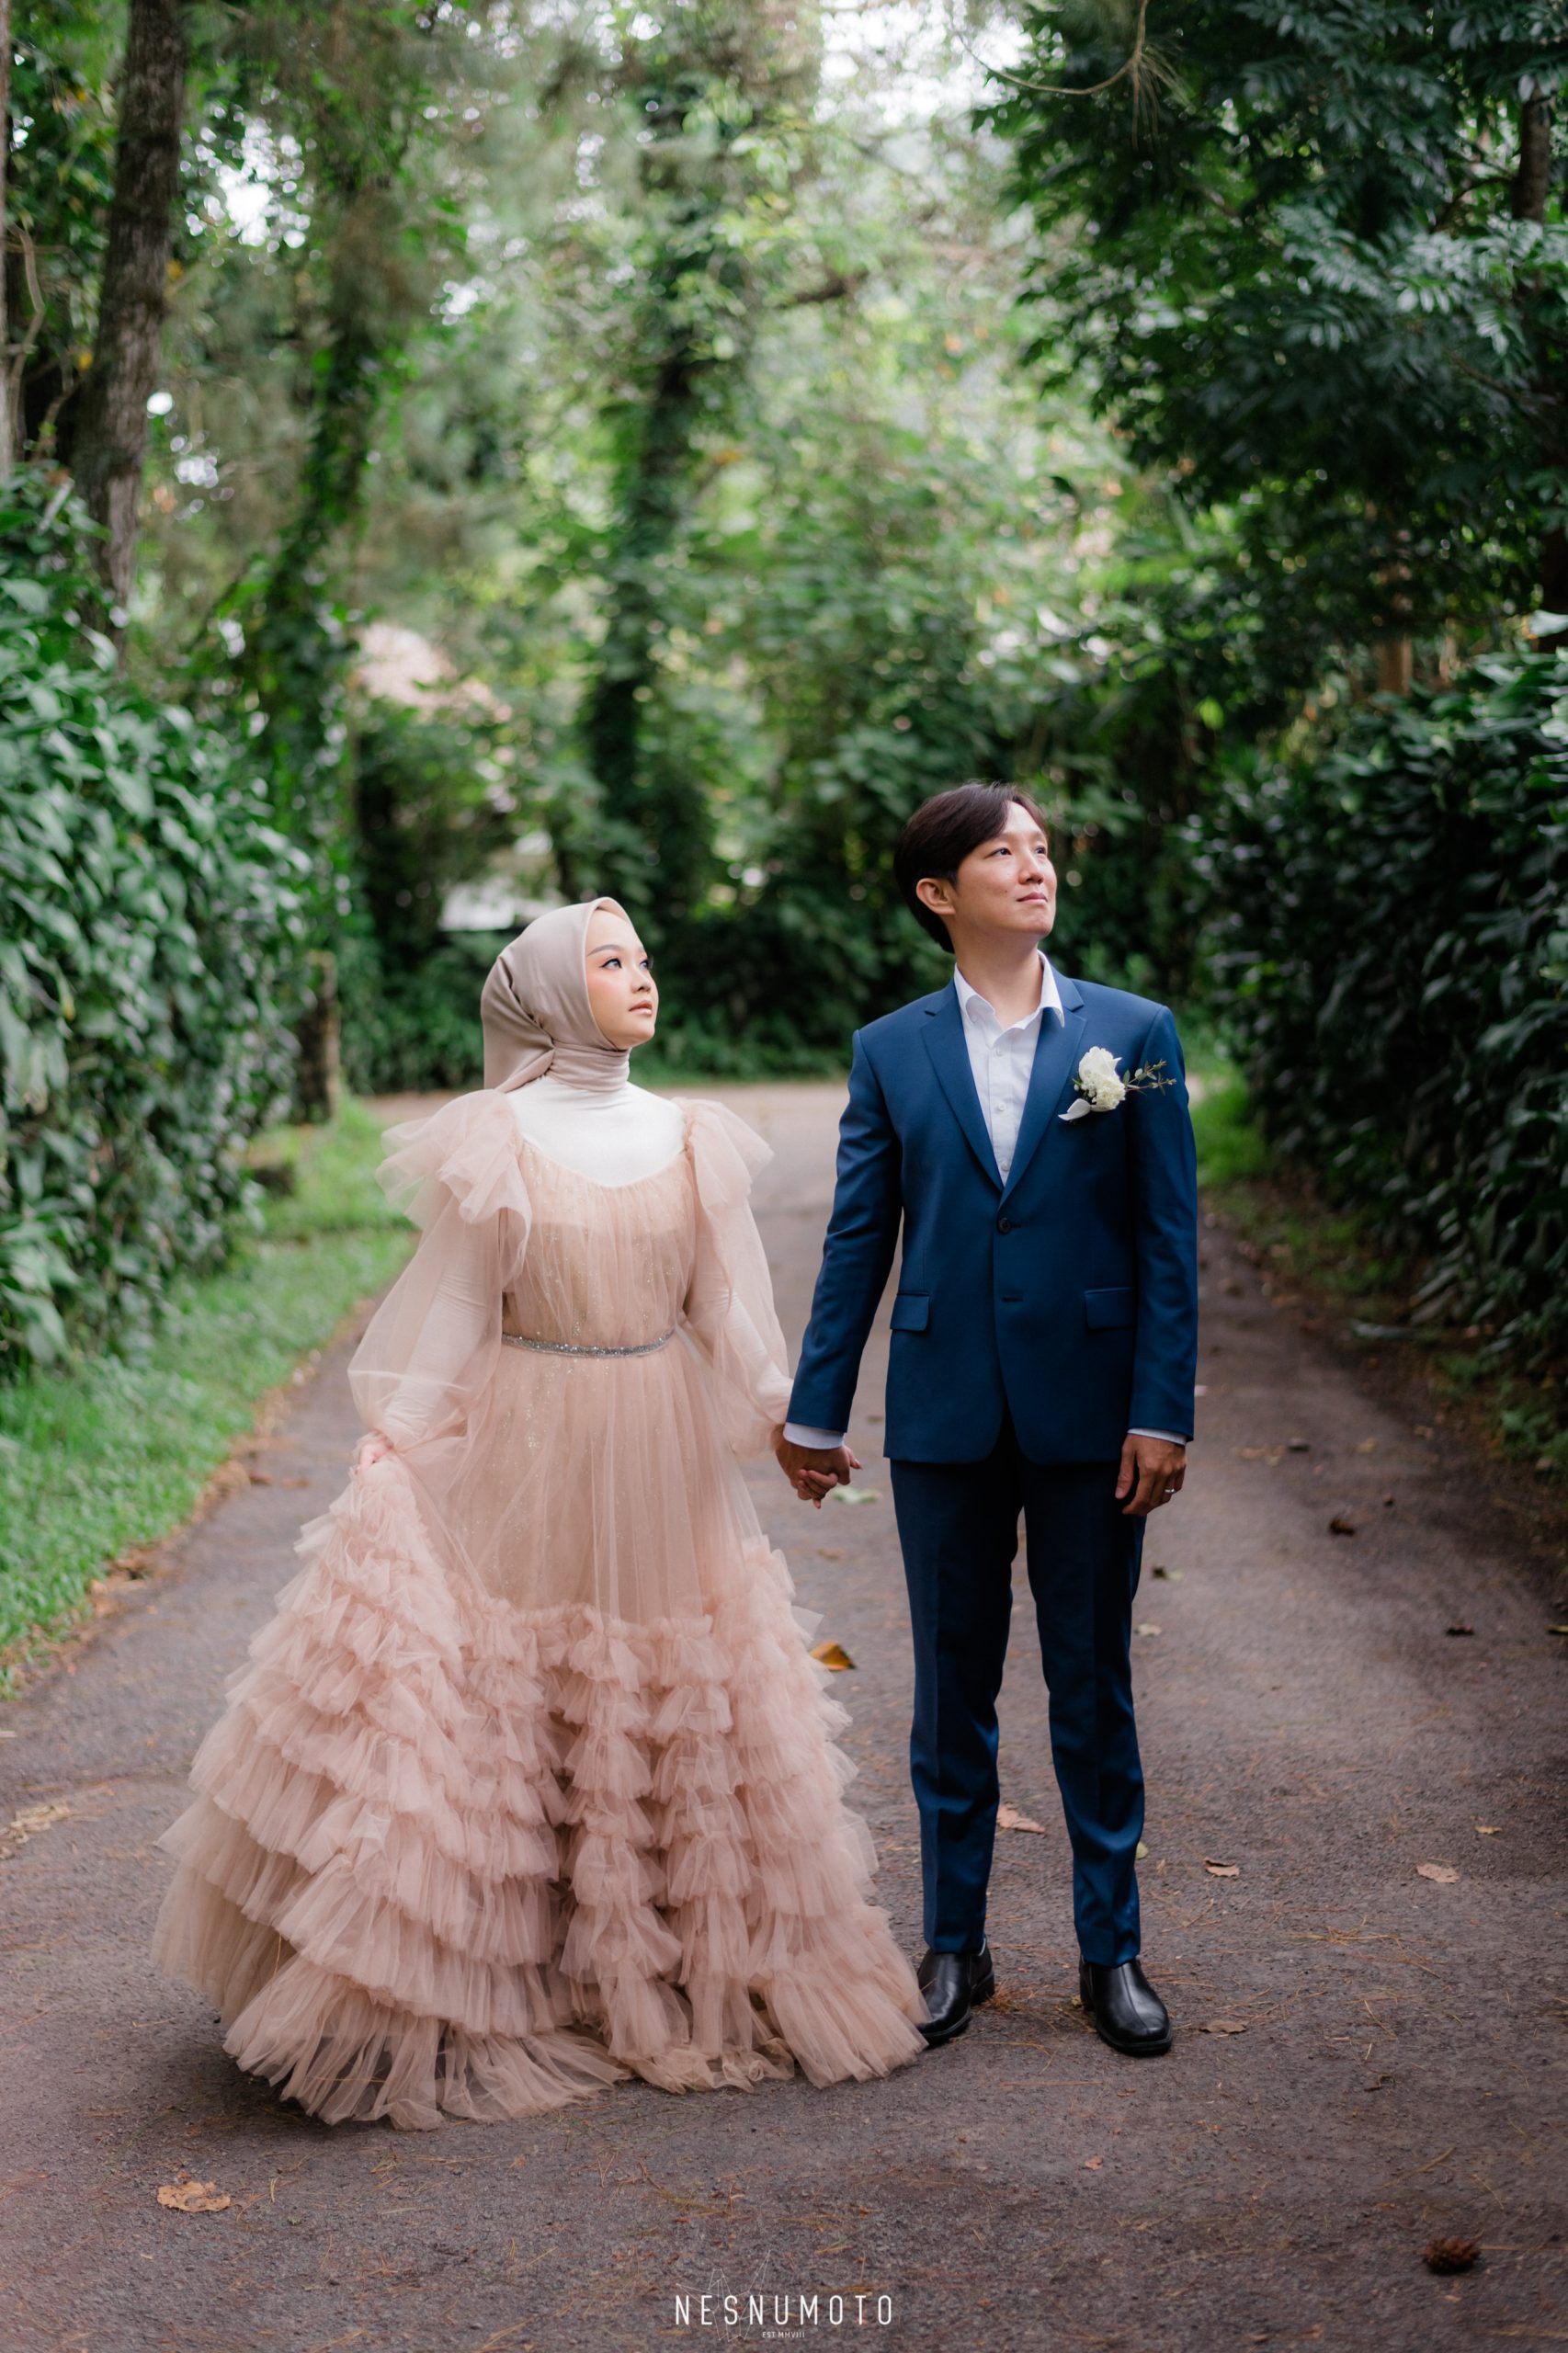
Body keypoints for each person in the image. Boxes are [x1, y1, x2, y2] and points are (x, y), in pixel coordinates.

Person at [153, 897, 927, 2129]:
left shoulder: (689, 1135)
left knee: (661, 1685)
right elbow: (462, 1304)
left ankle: (658, 1958)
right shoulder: (498, 1134)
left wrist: (788, 1411)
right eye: (610, 962)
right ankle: (512, 1960)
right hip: (527, 1434)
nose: (641, 976)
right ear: (556, 993)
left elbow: (726, 1307)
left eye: (643, 957)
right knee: (514, 1691)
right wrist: (400, 1435)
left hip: (656, 1435)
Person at [777, 785, 1199, 2057]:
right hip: (945, 1412)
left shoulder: (1133, 1034)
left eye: (1041, 849)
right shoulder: (890, 1049)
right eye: (1001, 852)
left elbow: (1167, 1242)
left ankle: (1111, 1953)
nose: (1033, 867)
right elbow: (859, 1238)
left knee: (1092, 1685)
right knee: (949, 1687)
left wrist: (1160, 1410)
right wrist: (814, 1409)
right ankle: (952, 1943)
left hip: (1093, 1414)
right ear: (937, 892)